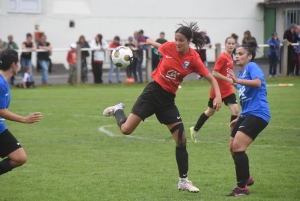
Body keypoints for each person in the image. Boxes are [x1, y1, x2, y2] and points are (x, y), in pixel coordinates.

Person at [102, 22, 222, 193]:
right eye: (176, 39)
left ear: (189, 41)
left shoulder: (194, 58)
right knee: (126, 129)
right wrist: (152, 43)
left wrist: (217, 96)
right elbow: (164, 48)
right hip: (152, 93)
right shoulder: (169, 47)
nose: (177, 43)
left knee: (181, 140)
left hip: (168, 100)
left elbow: (211, 78)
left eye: (181, 40)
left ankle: (183, 181)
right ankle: (117, 110)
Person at [226, 40, 270, 196]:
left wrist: (237, 82)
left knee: (238, 146)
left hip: (258, 114)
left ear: (249, 56)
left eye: (240, 54)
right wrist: (237, 118)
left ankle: (242, 188)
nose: (237, 56)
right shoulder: (240, 74)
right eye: (236, 54)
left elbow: (257, 83)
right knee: (232, 147)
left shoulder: (252, 67)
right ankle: (246, 177)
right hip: (246, 114)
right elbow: (246, 101)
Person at [0, 49, 42, 176]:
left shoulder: (4, 82)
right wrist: (24, 119)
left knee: (20, 157)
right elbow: (1, 111)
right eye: (18, 62)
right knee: (19, 157)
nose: (19, 65)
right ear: (13, 64)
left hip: (1, 128)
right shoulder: (1, 83)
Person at [190, 36, 238, 142]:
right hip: (217, 90)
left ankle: (233, 136)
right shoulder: (223, 57)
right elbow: (214, 73)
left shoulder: (231, 57)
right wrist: (228, 80)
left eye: (232, 44)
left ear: (235, 45)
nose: (230, 45)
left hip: (228, 89)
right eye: (228, 43)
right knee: (210, 111)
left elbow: (227, 73)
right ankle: (195, 129)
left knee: (235, 110)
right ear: (225, 44)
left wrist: (234, 82)